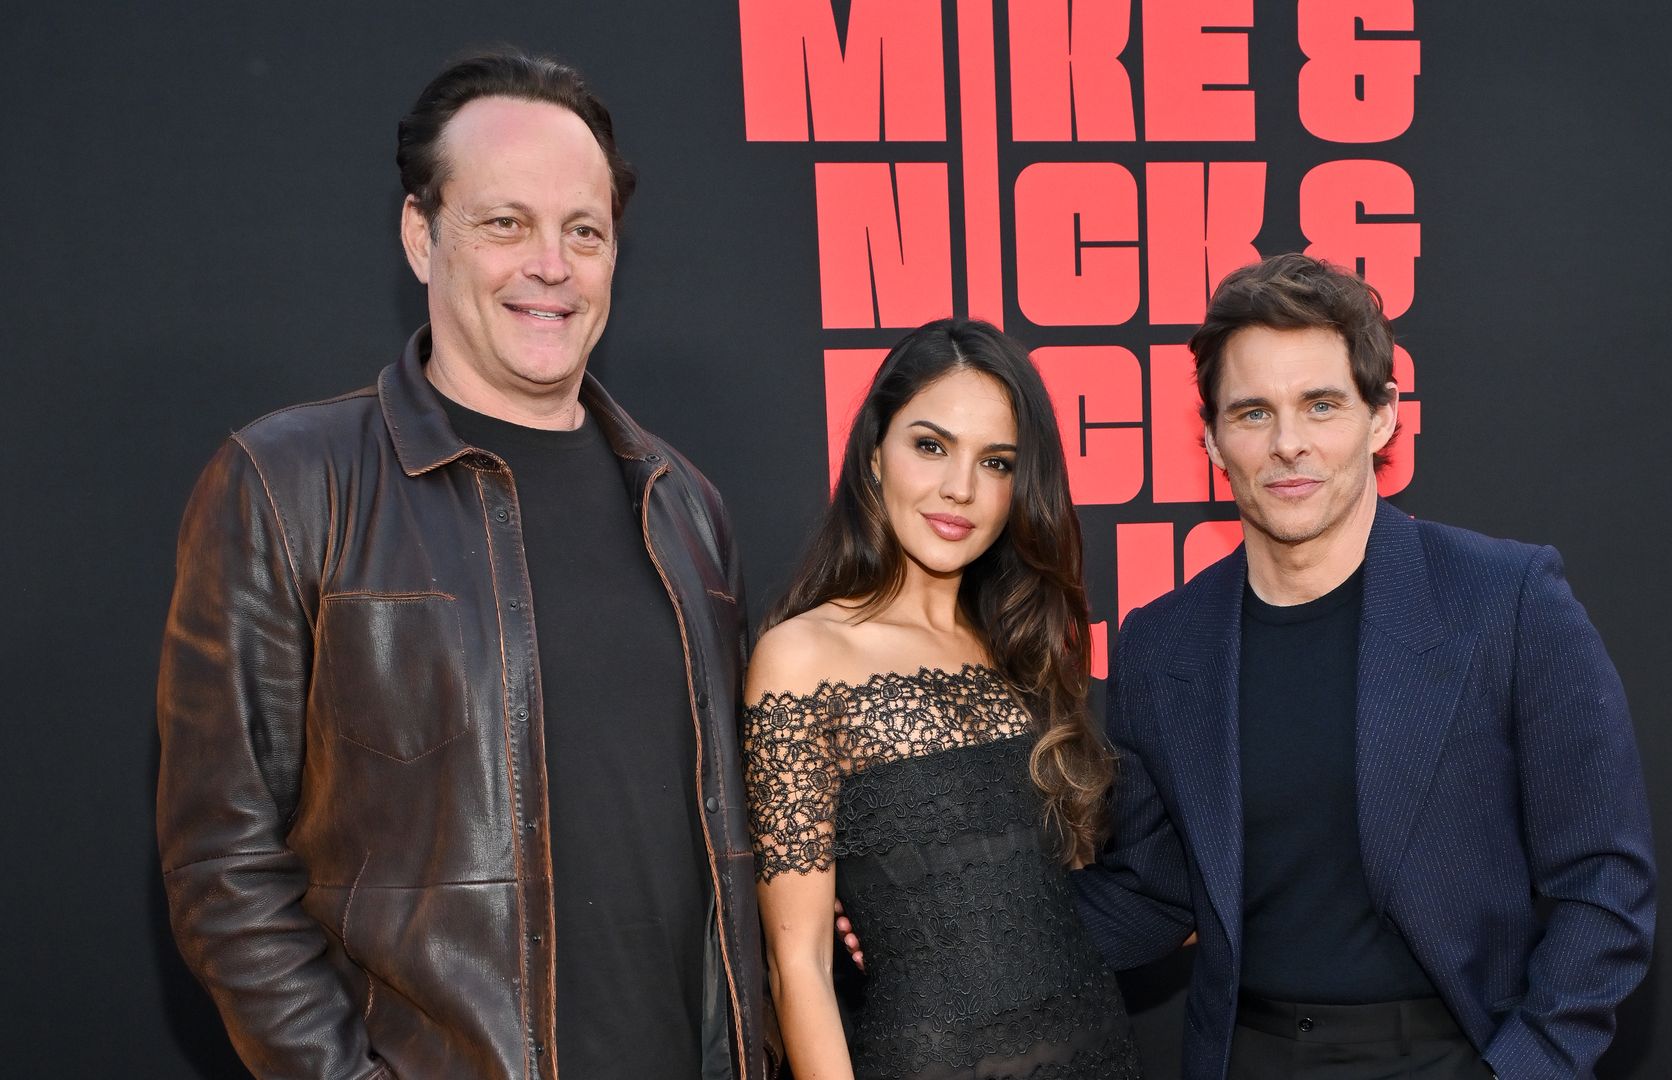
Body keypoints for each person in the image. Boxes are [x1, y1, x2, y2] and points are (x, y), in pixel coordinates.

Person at [155, 50, 764, 1079]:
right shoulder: (287, 482)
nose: (550, 265)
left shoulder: (684, 506)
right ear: (420, 236)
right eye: (504, 223)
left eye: (584, 232)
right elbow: (222, 862)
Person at [1070, 253, 1657, 1079]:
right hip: (1246, 1056)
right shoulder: (1163, 643)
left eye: (1321, 405)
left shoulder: (1507, 600)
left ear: (1382, 419)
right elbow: (1158, 892)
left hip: (1457, 1052)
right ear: (1209, 437)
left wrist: (1526, 1068)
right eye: (1251, 413)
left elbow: (1603, 879)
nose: (1288, 445)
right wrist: (930, 928)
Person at [744, 319, 1141, 1080]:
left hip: (1099, 1053)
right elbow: (799, 967)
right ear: (872, 457)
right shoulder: (802, 658)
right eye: (931, 446)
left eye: (995, 462)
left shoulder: (1020, 649)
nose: (960, 487)